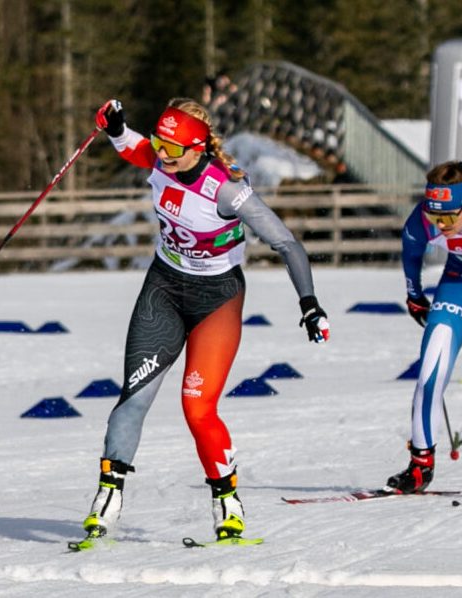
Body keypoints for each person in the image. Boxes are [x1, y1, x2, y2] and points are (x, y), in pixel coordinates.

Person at [78, 98, 330, 544]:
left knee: (197, 407)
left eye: (173, 151)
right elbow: (132, 146)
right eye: (161, 146)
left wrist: (308, 303)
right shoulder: (161, 160)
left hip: (216, 299)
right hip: (164, 289)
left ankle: (227, 502)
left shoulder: (226, 190)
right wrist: (116, 125)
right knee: (134, 396)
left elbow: (287, 243)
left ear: (197, 149)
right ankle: (107, 497)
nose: (163, 157)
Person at [386, 161, 462, 493]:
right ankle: (420, 465)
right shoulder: (426, 218)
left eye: (449, 217)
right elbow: (411, 250)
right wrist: (415, 295)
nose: (441, 226)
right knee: (430, 373)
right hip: (457, 285)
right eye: (435, 217)